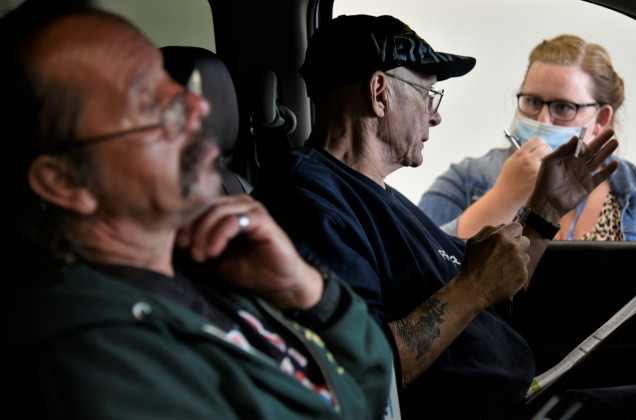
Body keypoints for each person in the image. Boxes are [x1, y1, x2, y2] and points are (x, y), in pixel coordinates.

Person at [251, 14, 636, 420]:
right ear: (380, 92)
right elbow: (359, 369)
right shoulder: (310, 200)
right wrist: (471, 287)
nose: (435, 115)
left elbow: (489, 292)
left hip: (526, 396)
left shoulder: (380, 196)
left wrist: (547, 208)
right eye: (428, 95)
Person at [0, 2, 392, 419]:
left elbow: (370, 391)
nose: (199, 108)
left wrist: (309, 290)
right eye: (150, 103)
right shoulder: (93, 364)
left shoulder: (208, 265)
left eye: (175, 82)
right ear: (67, 181)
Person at [418, 34, 636, 241]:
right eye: (532, 101)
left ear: (601, 119)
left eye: (563, 107)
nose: (542, 120)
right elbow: (415, 273)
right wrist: (504, 197)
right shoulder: (465, 180)